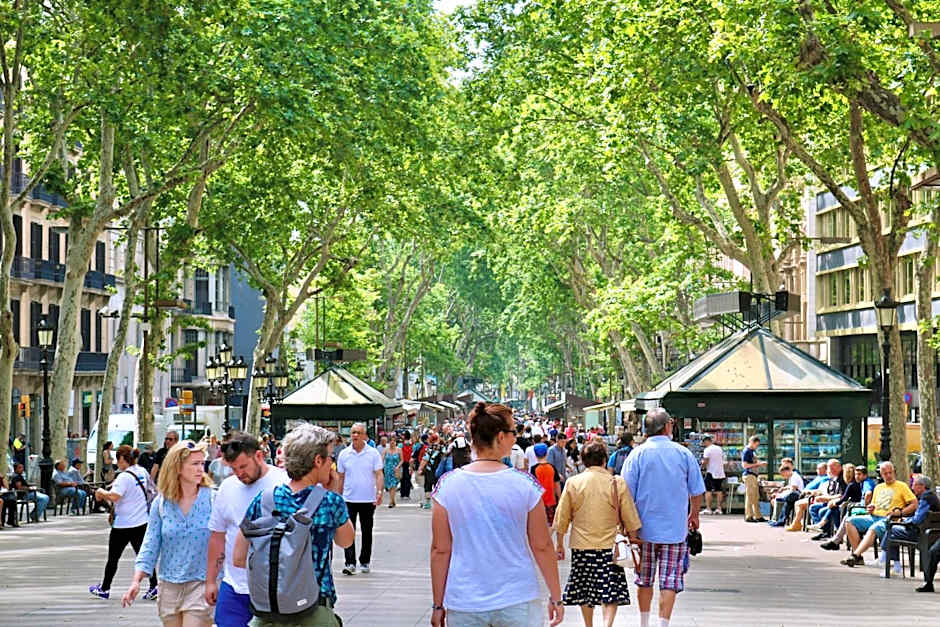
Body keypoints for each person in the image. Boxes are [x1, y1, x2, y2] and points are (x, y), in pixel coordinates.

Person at [430, 402, 564, 627]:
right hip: (517, 599)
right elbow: (541, 545)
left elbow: (440, 549)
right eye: (513, 431)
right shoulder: (525, 485)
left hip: (465, 601)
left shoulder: (447, 486)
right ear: (501, 437)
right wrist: (556, 596)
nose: (515, 437)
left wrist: (438, 604)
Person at [234, 423, 354, 627]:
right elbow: (346, 541)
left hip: (268, 612)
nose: (332, 464)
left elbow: (238, 557)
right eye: (330, 458)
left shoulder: (265, 500)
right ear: (318, 460)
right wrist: (332, 491)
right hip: (314, 610)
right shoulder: (330, 502)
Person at [622, 408, 705, 627]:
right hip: (675, 531)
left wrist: (628, 527)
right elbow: (697, 490)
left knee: (644, 579)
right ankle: (663, 624)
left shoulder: (636, 455)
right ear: (667, 426)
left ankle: (643, 622)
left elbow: (625, 494)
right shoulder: (683, 454)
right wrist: (694, 514)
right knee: (670, 581)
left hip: (643, 531)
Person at [122, 440, 214, 625]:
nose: (200, 469)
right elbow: (150, 543)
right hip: (169, 586)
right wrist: (136, 581)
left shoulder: (214, 499)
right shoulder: (162, 503)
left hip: (202, 583)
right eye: (194, 464)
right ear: (177, 468)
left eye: (202, 464)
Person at [555, 439, 641, 627]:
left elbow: (562, 517)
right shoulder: (616, 483)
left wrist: (560, 543)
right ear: (604, 460)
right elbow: (629, 515)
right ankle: (607, 625)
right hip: (610, 547)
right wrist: (634, 537)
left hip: (581, 545)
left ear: (584, 460)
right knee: (610, 590)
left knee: (585, 589)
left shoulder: (573, 483)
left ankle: (588, 625)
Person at [206, 431, 288, 627]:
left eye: (243, 466)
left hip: (274, 588)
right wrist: (210, 580)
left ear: (259, 456)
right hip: (234, 586)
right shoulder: (227, 488)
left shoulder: (283, 483)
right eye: (234, 469)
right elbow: (217, 536)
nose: (240, 474)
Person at [90, 445, 159, 600]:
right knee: (144, 556)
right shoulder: (141, 471)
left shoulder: (124, 477)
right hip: (141, 522)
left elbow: (115, 496)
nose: (116, 462)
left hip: (123, 525)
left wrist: (101, 492)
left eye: (117, 459)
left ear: (122, 459)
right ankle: (154, 586)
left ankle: (105, 588)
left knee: (113, 558)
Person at [840, 461, 917, 567]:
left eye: (890, 472)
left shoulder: (902, 486)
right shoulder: (878, 487)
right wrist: (870, 508)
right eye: (885, 473)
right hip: (874, 516)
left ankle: (855, 555)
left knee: (873, 528)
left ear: (894, 472)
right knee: (849, 521)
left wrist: (901, 513)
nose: (888, 475)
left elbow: (914, 504)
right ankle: (859, 557)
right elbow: (873, 504)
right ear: (881, 475)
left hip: (889, 519)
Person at [336, 422, 383, 575]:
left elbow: (378, 474)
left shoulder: (373, 453)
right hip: (349, 499)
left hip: (368, 499)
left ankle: (365, 561)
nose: (355, 435)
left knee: (367, 531)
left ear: (364, 435)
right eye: (353, 433)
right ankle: (349, 562)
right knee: (348, 532)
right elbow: (340, 477)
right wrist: (338, 496)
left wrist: (380, 492)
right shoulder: (344, 454)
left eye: (358, 433)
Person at [879, 475, 940, 577]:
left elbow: (917, 520)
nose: (912, 487)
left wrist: (905, 520)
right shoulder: (931, 496)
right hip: (931, 533)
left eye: (914, 485)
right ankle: (893, 562)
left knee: (891, 528)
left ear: (921, 486)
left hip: (921, 535)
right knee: (893, 528)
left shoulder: (926, 497)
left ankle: (886, 558)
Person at [787, 459, 844, 532]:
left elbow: (840, 495)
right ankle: (821, 529)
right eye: (829, 468)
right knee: (812, 507)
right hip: (821, 498)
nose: (830, 470)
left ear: (839, 467)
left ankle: (820, 528)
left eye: (832, 468)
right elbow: (825, 490)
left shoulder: (834, 479)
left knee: (800, 503)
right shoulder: (831, 478)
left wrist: (825, 497)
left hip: (832, 501)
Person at [812, 463, 857, 540]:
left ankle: (834, 532)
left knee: (832, 509)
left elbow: (844, 497)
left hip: (849, 506)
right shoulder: (847, 482)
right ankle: (828, 531)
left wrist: (834, 502)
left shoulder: (851, 484)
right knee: (817, 508)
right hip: (844, 504)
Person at [530, 443, 561, 525]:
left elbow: (532, 486)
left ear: (535, 455)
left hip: (538, 502)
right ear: (547, 453)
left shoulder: (533, 469)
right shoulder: (552, 467)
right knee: (551, 523)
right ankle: (549, 536)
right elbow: (557, 485)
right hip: (551, 501)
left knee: (539, 523)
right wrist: (560, 498)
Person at [741, 436, 766, 522]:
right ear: (752, 442)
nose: (756, 446)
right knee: (750, 496)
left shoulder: (752, 451)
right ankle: (749, 516)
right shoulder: (747, 451)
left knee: (755, 496)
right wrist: (758, 464)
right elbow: (745, 465)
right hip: (749, 475)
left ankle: (757, 515)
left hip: (753, 475)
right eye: (756, 444)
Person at [418, 434, 444, 510]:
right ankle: (439, 503)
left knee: (428, 485)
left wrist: (420, 468)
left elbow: (425, 459)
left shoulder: (429, 448)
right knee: (438, 486)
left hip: (430, 469)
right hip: (440, 470)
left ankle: (428, 503)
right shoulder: (442, 448)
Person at [699, 436, 725, 515]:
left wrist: (701, 467)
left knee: (708, 490)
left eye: (704, 443)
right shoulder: (719, 448)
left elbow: (705, 461)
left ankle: (708, 508)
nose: (703, 444)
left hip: (711, 471)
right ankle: (719, 508)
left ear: (707, 441)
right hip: (720, 472)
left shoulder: (707, 449)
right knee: (719, 490)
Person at [383, 436, 402, 508]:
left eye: (394, 441)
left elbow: (402, 460)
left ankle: (391, 502)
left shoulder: (399, 450)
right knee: (389, 486)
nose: (392, 442)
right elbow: (382, 458)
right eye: (391, 441)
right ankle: (393, 500)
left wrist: (398, 466)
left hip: (395, 470)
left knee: (393, 485)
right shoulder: (386, 450)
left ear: (396, 442)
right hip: (387, 470)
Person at [400, 432, 413, 501]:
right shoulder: (412, 445)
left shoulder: (401, 445)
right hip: (410, 463)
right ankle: (407, 494)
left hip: (402, 463)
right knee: (408, 478)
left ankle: (402, 494)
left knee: (402, 478)